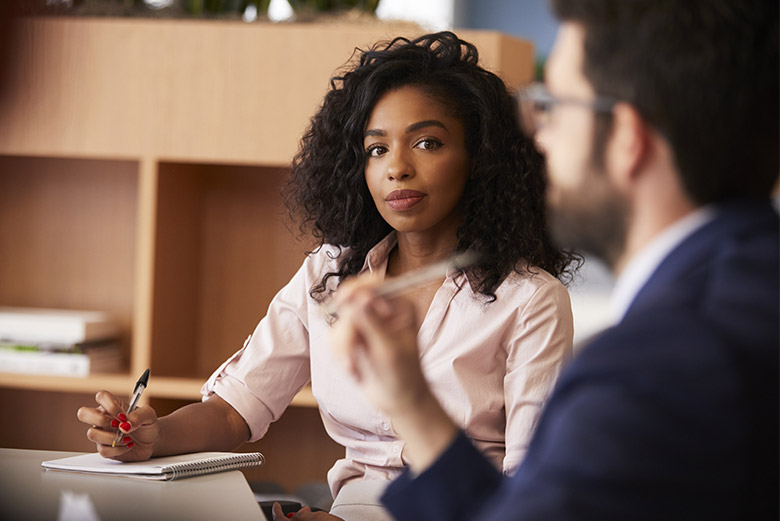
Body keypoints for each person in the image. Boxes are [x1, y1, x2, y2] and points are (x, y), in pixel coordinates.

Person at [76, 32, 578, 521]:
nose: (396, 168)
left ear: (481, 159)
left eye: (427, 142)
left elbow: (529, 497)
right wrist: (151, 435)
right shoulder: (329, 273)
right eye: (377, 149)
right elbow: (234, 411)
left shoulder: (531, 299)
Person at [329, 1, 780, 520]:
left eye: (555, 107)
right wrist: (411, 402)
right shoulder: (752, 292)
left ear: (627, 139)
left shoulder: (650, 374)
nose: (538, 137)